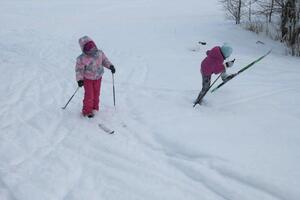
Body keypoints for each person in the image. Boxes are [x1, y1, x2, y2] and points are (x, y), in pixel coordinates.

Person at [75, 36, 116, 118]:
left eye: (92, 46)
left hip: (98, 77)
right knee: (89, 95)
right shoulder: (82, 58)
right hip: (88, 79)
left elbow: (104, 60)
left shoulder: (99, 53)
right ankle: (87, 111)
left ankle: (95, 109)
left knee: (96, 94)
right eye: (88, 48)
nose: (91, 50)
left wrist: (110, 66)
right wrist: (80, 80)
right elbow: (79, 69)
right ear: (84, 49)